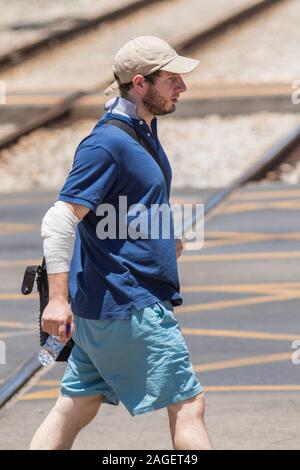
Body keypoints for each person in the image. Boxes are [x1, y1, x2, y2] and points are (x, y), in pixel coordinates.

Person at [29, 36, 213, 450]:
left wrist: (162, 236)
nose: (182, 87)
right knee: (189, 404)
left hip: (106, 307)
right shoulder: (106, 144)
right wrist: (57, 300)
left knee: (75, 405)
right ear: (139, 83)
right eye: (172, 79)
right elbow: (59, 220)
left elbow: (125, 204)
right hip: (130, 304)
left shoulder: (141, 129)